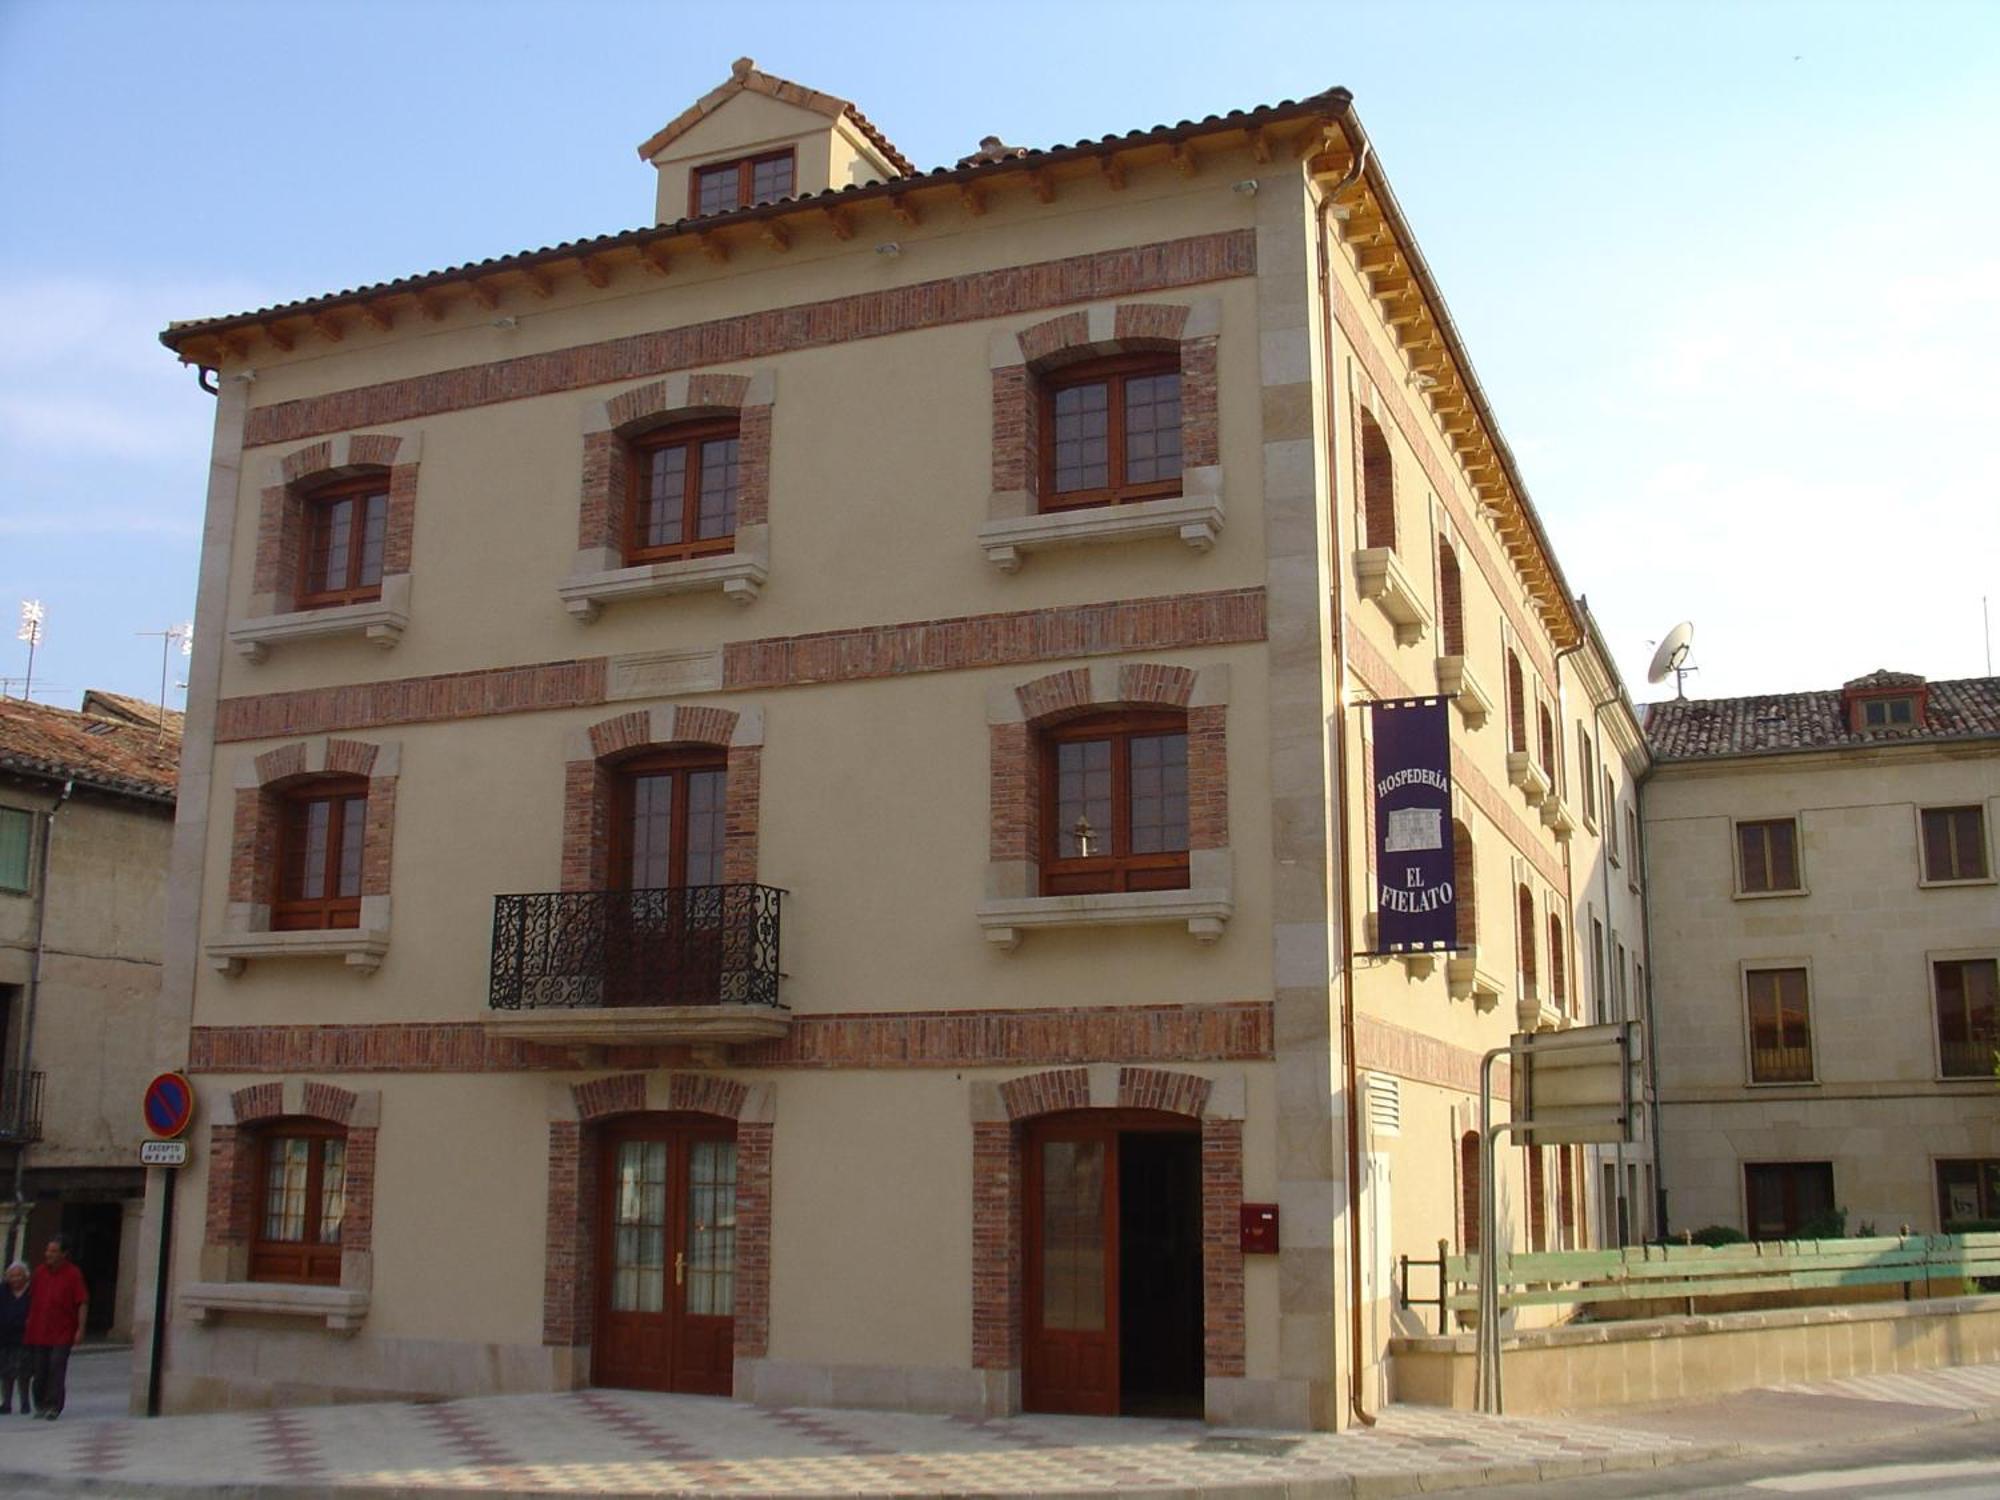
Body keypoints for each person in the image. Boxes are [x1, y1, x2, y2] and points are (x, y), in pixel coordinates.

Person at [23, 1235, 87, 1420]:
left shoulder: (73, 1274)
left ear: (64, 1254)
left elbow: (82, 1301)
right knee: (40, 1370)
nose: (48, 1254)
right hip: (39, 1329)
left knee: (56, 1367)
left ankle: (53, 1405)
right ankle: (40, 1403)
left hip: (62, 1331)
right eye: (47, 1250)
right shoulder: (39, 1273)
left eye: (53, 1251)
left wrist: (80, 1329)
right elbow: (31, 1299)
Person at [0, 1260, 29, 1414]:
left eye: (19, 1275)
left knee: (22, 1370)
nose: (16, 1279)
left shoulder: (31, 1292)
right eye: (12, 1276)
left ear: (25, 1276)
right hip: (4, 1336)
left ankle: (25, 1402)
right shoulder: (3, 1291)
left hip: (23, 1337)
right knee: (5, 1371)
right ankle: (6, 1402)